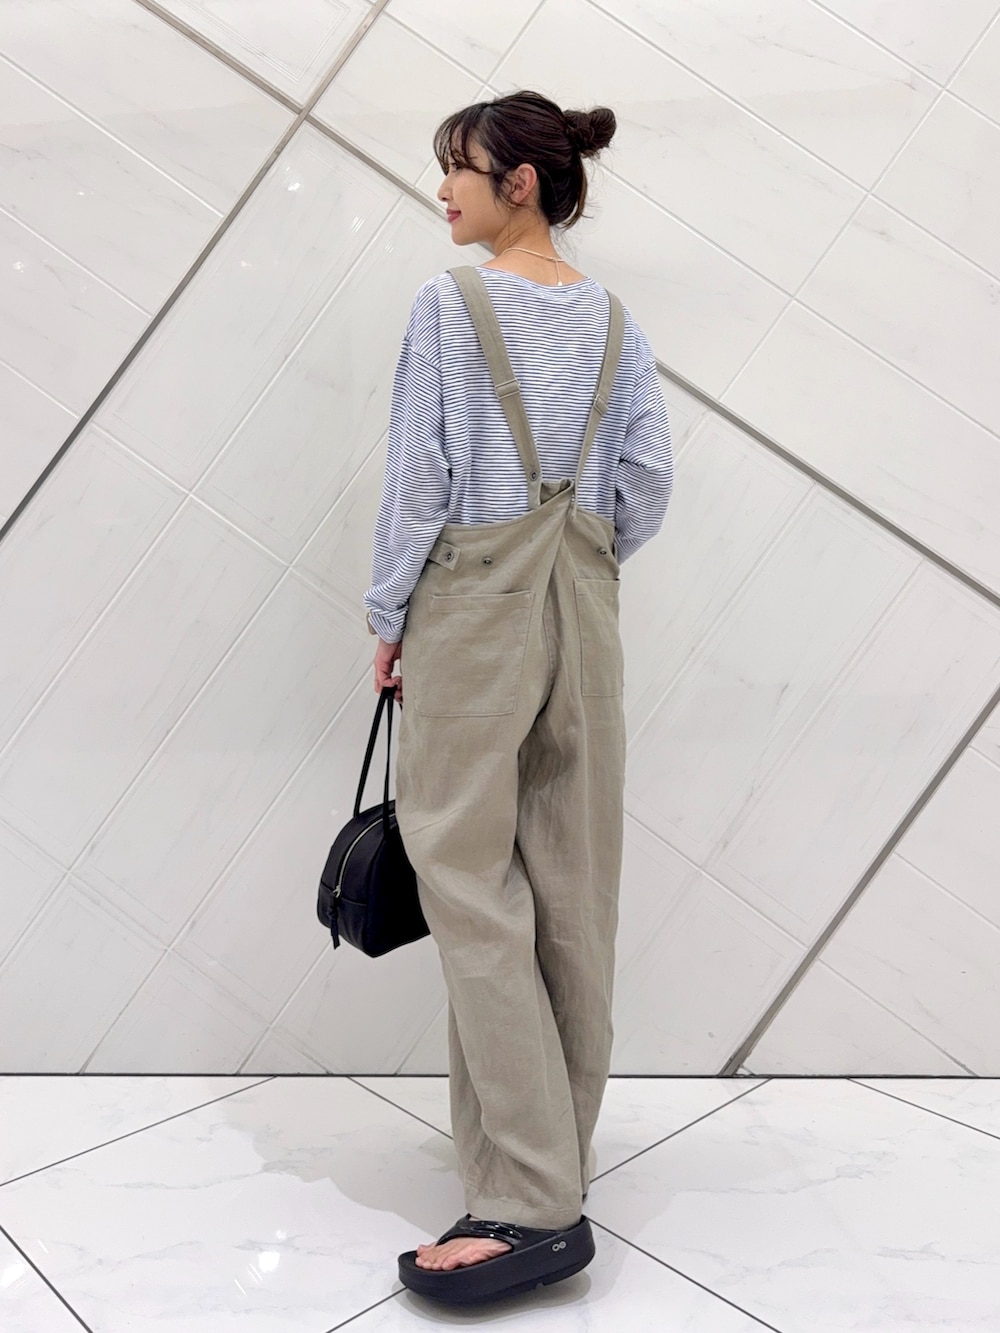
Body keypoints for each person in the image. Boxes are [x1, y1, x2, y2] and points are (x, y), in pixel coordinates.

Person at [362, 89, 674, 1304]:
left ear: (520, 183)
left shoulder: (451, 304)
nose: (442, 188)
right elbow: (644, 481)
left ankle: (532, 1203)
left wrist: (390, 613)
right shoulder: (614, 321)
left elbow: (419, 474)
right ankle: (540, 1165)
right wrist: (575, 552)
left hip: (472, 608)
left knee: (465, 880)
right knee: (569, 890)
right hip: (582, 608)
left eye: (458, 167)